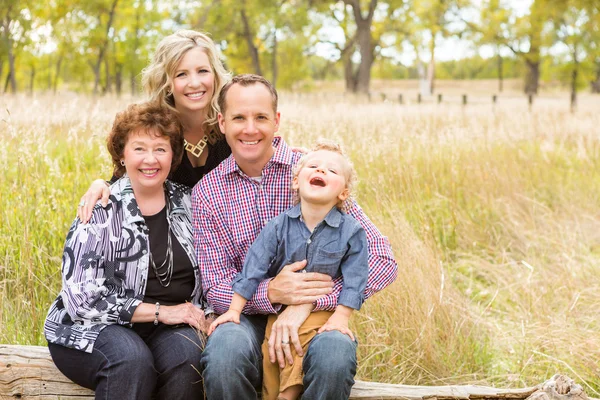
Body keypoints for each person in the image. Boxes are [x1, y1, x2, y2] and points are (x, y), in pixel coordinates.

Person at [192, 74, 398, 400]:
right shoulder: (208, 192)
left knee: (334, 355)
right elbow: (216, 285)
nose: (250, 129)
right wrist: (273, 291)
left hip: (315, 318)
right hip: (247, 315)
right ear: (222, 122)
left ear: (276, 121)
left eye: (260, 117)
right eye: (238, 118)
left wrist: (307, 301)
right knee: (224, 355)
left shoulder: (315, 172)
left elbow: (382, 261)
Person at [44, 102, 209, 400]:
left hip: (167, 329)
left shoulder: (190, 203)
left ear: (173, 155)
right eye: (139, 148)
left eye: (160, 148)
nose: (150, 159)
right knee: (131, 360)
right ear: (122, 154)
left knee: (189, 355)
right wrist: (163, 312)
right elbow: (82, 299)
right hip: (95, 327)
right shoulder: (101, 208)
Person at [208, 141, 369, 400]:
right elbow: (254, 267)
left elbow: (357, 277)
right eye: (314, 166)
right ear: (296, 181)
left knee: (300, 360)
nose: (322, 171)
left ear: (344, 193)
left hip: (322, 315)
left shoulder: (351, 231)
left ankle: (288, 393)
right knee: (272, 356)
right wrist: (234, 309)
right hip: (278, 314)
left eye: (332, 170)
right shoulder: (279, 226)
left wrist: (341, 316)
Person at [77, 29, 232, 223]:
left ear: (215, 76)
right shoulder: (156, 129)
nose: (194, 83)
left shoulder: (230, 126)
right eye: (181, 74)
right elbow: (127, 176)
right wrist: (101, 184)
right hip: (173, 241)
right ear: (167, 83)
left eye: (203, 71)